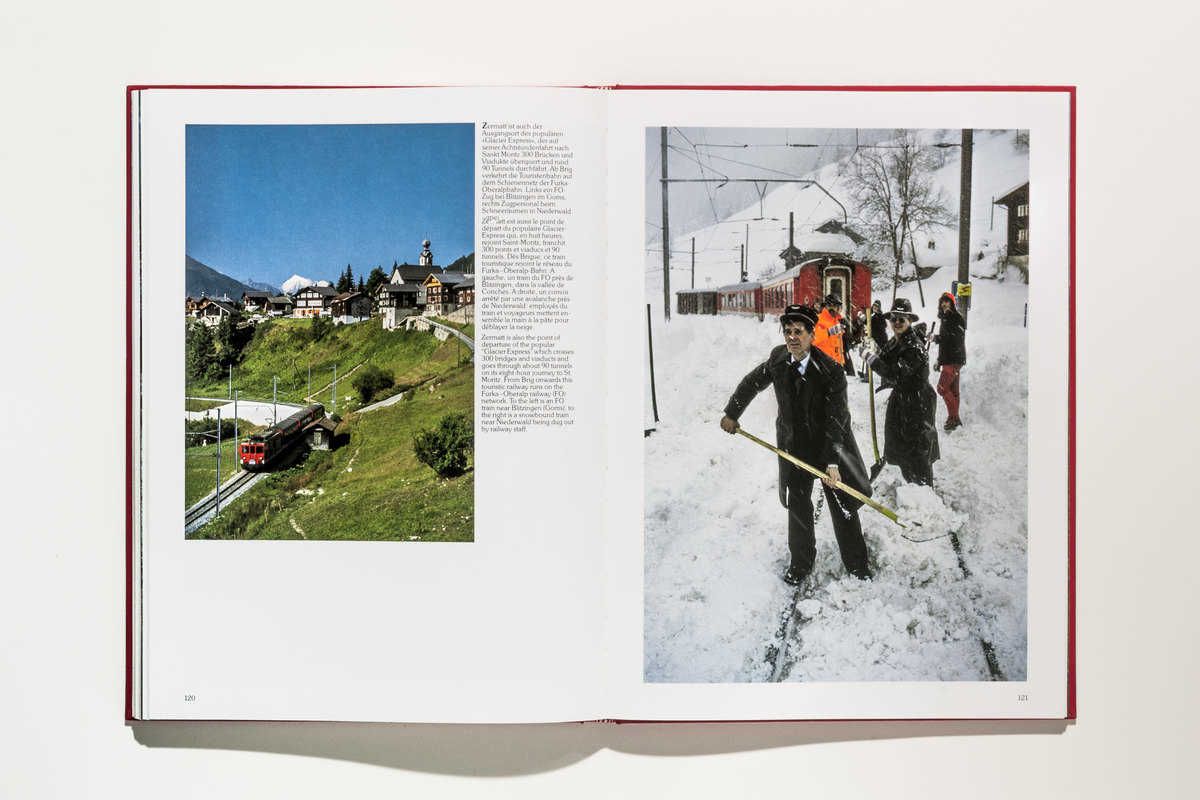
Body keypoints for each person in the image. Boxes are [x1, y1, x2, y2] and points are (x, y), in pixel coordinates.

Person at [720, 304, 873, 585]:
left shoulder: (831, 371)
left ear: (812, 335)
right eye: (788, 331)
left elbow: (837, 420)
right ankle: (801, 563)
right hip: (795, 449)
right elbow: (752, 382)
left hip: (828, 448)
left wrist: (833, 463)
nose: (792, 337)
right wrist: (732, 413)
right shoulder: (778, 360)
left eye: (798, 332)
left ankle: (857, 565)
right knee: (798, 506)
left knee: (843, 507)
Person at [863, 298, 940, 485]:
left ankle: (924, 489)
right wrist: (871, 348)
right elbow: (885, 357)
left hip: (917, 401)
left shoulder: (914, 347)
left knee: (917, 445)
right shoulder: (896, 340)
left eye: (901, 319)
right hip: (902, 398)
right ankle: (911, 483)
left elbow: (894, 373)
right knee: (900, 443)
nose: (897, 323)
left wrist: (871, 360)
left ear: (909, 321)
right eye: (894, 319)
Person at [932, 291, 966, 431]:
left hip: (954, 359)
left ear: (952, 303)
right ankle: (954, 418)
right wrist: (939, 361)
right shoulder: (945, 319)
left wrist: (937, 338)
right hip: (949, 359)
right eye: (942, 302)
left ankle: (954, 417)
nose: (944, 304)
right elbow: (945, 344)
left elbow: (955, 339)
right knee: (953, 390)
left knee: (942, 388)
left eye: (947, 301)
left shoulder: (956, 318)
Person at [812, 293, 847, 367]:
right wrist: (829, 332)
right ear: (827, 306)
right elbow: (812, 339)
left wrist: (841, 363)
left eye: (837, 307)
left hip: (836, 365)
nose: (836, 309)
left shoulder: (836, 321)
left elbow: (838, 346)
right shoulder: (818, 319)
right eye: (832, 306)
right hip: (822, 364)